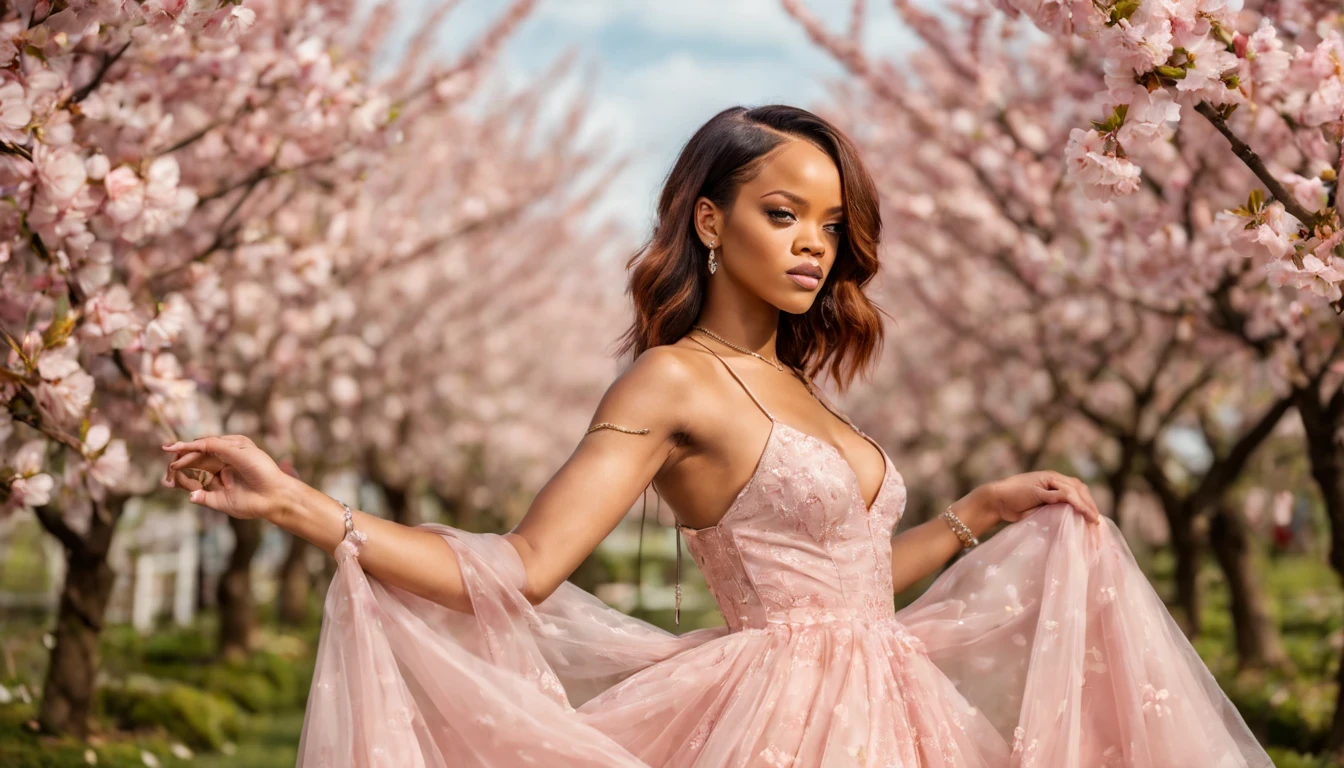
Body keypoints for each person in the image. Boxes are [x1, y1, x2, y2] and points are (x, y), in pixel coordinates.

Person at [160, 105, 1272, 767]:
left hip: (901, 712)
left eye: (831, 225)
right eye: (782, 213)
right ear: (709, 219)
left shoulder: (800, 387)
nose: (815, 247)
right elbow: (527, 566)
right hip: (783, 723)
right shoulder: (674, 382)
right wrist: (303, 504)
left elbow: (852, 585)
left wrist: (978, 513)